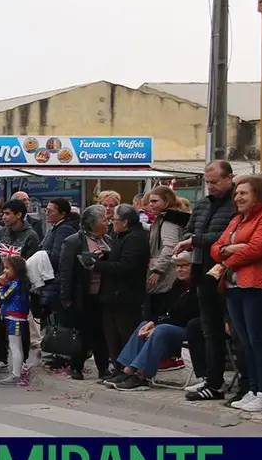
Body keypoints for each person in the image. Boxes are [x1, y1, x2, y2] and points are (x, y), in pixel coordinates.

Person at [211, 175, 262, 412]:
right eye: (237, 193)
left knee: (260, 342)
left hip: (257, 287)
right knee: (245, 343)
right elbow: (215, 248)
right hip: (233, 288)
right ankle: (253, 389)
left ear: (257, 195)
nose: (238, 197)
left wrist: (228, 258)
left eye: (243, 193)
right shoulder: (237, 220)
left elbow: (256, 250)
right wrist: (229, 249)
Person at [177, 160, 239, 403]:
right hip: (202, 272)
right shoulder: (202, 204)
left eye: (215, 181)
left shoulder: (235, 204)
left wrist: (196, 240)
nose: (210, 186)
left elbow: (226, 238)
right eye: (208, 181)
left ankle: (248, 384)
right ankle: (213, 382)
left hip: (227, 273)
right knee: (209, 329)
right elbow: (189, 231)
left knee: (235, 330)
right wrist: (191, 239)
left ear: (229, 178)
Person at [103, 251, 198, 391]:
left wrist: (157, 325)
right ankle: (124, 369)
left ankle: (141, 374)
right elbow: (166, 309)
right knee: (144, 325)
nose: (179, 270)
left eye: (184, 266)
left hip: (188, 327)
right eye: (177, 266)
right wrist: (152, 322)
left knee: (160, 330)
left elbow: (186, 315)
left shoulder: (198, 288)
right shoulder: (178, 284)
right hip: (172, 324)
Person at [0, 199, 41, 372]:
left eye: (8, 214)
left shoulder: (31, 236)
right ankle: (0, 359)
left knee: (19, 325)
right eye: (3, 213)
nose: (4, 217)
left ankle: (22, 362)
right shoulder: (1, 233)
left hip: (19, 288)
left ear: (19, 215)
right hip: (1, 283)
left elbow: (30, 266)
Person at [57, 205, 114, 380]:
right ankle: (76, 366)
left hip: (103, 295)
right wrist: (65, 297)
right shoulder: (74, 241)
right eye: (103, 220)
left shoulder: (108, 240)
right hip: (82, 295)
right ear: (92, 223)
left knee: (102, 334)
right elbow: (65, 271)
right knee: (81, 333)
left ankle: (103, 368)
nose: (107, 223)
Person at [92, 204, 150, 372]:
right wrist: (106, 255)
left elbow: (126, 266)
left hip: (125, 296)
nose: (112, 223)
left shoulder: (136, 238)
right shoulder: (123, 236)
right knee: (112, 335)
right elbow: (119, 257)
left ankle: (129, 370)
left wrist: (98, 266)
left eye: (114, 220)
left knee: (125, 334)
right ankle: (117, 368)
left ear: (124, 222)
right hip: (112, 295)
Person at [145, 186, 190, 320]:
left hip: (167, 274)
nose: (151, 204)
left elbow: (169, 247)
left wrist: (157, 270)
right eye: (150, 201)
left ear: (166, 201)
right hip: (166, 271)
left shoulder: (169, 220)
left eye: (155, 201)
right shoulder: (164, 218)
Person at [0, 255, 30, 386]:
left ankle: (16, 374)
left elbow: (3, 297)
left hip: (15, 318)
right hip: (14, 316)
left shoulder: (15, 284)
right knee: (16, 345)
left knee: (15, 346)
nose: (4, 271)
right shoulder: (19, 284)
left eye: (7, 268)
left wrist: (0, 284)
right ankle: (17, 372)